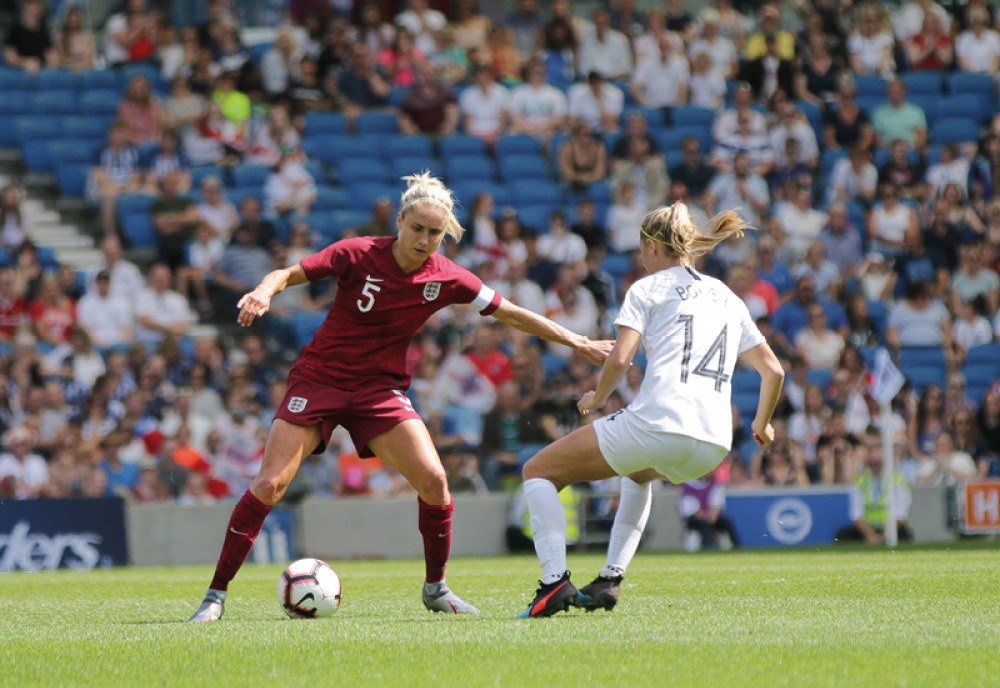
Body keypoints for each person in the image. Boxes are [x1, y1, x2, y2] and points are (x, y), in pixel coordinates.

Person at [188, 172, 614, 622]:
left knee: (434, 481)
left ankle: (436, 589)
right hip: (320, 380)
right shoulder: (357, 253)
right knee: (270, 484)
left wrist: (579, 343)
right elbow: (288, 273)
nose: (425, 239)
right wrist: (261, 292)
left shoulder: (447, 277)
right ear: (400, 221)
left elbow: (513, 315)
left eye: (435, 233)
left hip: (379, 389)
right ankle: (215, 596)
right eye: (418, 228)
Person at [515, 202, 784, 618]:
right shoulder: (728, 296)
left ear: (651, 246)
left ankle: (554, 583)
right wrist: (762, 424)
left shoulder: (647, 288)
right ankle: (609, 579)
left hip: (661, 422)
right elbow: (774, 371)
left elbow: (620, 360)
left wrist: (597, 398)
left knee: (538, 471)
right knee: (638, 473)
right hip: (713, 444)